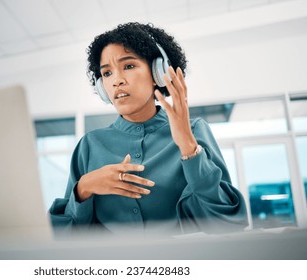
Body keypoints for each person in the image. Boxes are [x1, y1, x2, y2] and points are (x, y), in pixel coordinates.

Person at [49, 22, 248, 236]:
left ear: (157, 72)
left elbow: (228, 222)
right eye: (107, 73)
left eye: (129, 66)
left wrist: (189, 148)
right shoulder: (89, 145)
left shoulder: (193, 131)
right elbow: (64, 236)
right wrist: (84, 188)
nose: (117, 81)